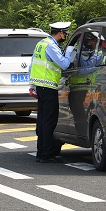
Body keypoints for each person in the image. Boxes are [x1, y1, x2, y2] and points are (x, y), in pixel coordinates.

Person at [29, 21, 75, 163]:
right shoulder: (51, 46)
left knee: (42, 120)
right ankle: (46, 154)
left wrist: (32, 85)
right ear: (60, 33)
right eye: (65, 33)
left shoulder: (41, 43)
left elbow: (32, 64)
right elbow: (64, 64)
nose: (65, 35)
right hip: (48, 87)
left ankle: (40, 151)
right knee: (49, 120)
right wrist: (69, 53)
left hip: (40, 86)